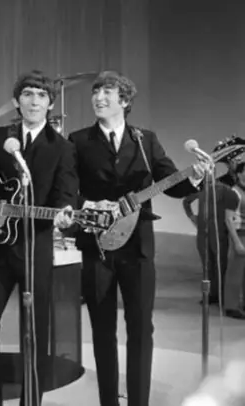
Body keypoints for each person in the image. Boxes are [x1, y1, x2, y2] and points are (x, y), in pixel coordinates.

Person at [68, 70, 208, 406]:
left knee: (141, 328)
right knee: (102, 329)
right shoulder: (78, 140)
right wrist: (89, 205)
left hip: (138, 247)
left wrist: (195, 179)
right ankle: (108, 401)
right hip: (97, 245)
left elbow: (170, 183)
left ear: (125, 100)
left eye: (107, 92)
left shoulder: (146, 140)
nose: (99, 97)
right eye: (96, 91)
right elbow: (66, 190)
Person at [0, 70, 78, 406]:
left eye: (41, 95)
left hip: (36, 247)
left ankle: (31, 401)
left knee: (35, 333)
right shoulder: (1, 136)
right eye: (27, 94)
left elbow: (66, 192)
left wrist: (65, 213)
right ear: (17, 101)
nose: (34, 101)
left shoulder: (63, 148)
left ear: (50, 104)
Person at [182, 161, 236, 305]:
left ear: (214, 173)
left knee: (220, 264)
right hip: (202, 232)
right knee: (207, 264)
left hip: (218, 232)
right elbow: (186, 202)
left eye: (209, 172)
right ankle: (211, 294)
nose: (207, 175)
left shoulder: (224, 189)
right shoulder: (200, 190)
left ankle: (222, 295)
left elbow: (233, 208)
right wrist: (192, 217)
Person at [223, 162, 245, 319]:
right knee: (235, 272)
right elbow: (228, 219)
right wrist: (237, 242)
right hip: (239, 233)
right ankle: (231, 306)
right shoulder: (234, 193)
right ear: (239, 174)